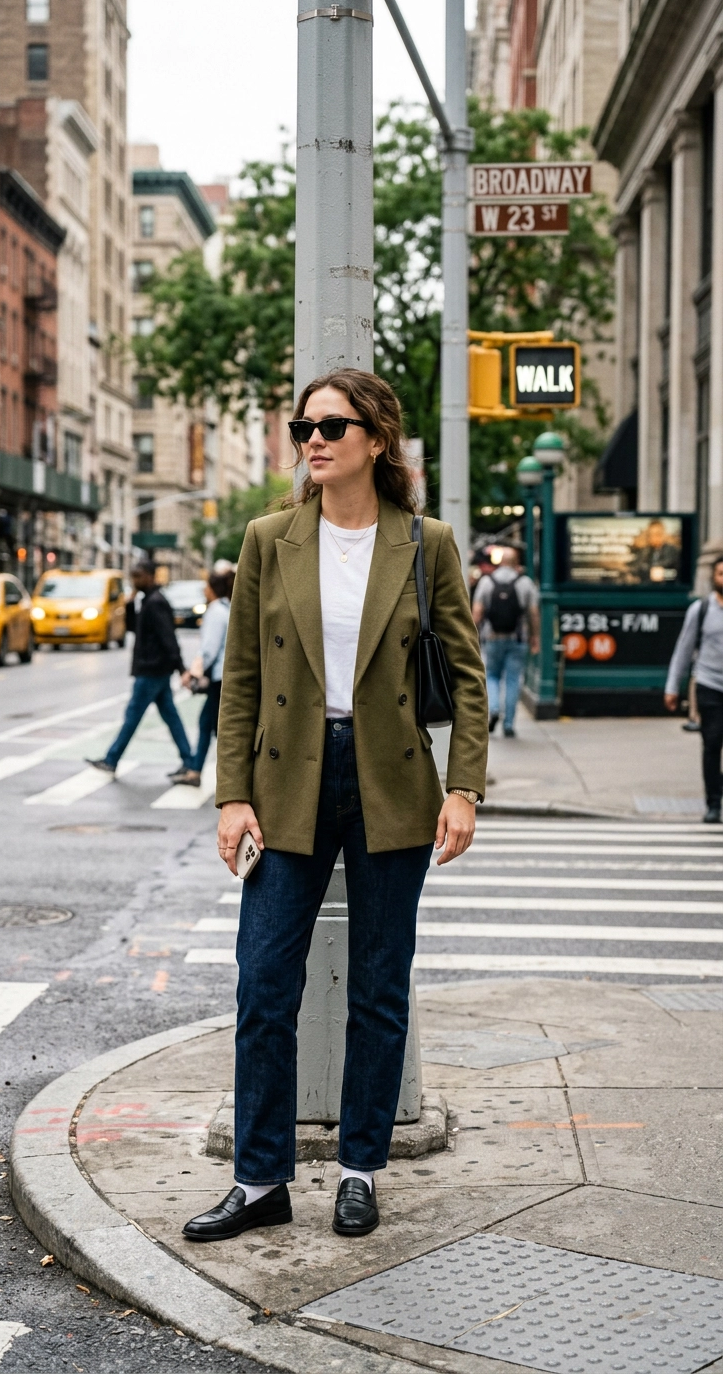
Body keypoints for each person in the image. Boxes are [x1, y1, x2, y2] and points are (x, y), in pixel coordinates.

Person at [182, 368, 487, 1245]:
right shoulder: (269, 537)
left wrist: (463, 786)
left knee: (379, 986)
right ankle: (259, 1179)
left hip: (391, 778)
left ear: (376, 439)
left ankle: (359, 1169)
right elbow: (240, 681)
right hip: (288, 778)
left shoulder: (424, 543)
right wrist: (230, 795)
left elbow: (467, 681)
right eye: (302, 426)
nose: (312, 439)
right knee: (265, 983)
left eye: (331, 426)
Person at [86, 560, 194, 778]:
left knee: (133, 716)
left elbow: (168, 638)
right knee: (170, 716)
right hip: (154, 670)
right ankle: (189, 761)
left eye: (139, 576)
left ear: (151, 576)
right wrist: (129, 603)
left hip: (151, 671)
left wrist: (181, 667)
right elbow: (134, 629)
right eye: (133, 576)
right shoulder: (147, 600)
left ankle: (111, 759)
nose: (134, 580)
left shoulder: (155, 602)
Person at [664, 555, 723, 823]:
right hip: (709, 684)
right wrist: (672, 687)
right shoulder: (700, 610)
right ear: (713, 577)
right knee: (712, 743)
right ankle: (713, 803)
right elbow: (683, 650)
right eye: (721, 573)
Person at [175, 569, 235, 786]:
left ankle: (231, 775)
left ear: (212, 589)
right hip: (223, 677)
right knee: (208, 724)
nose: (203, 589)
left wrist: (193, 672)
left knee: (218, 729)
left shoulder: (216, 611)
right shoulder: (226, 608)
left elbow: (209, 648)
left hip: (219, 678)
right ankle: (195, 770)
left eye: (206, 586)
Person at [471, 547, 540, 737]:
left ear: (500, 562)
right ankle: (509, 724)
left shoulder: (486, 582)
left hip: (492, 637)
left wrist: (471, 638)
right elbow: (533, 613)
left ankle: (493, 710)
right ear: (516, 563)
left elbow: (476, 613)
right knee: (512, 679)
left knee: (492, 676)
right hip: (517, 639)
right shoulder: (525, 583)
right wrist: (535, 638)